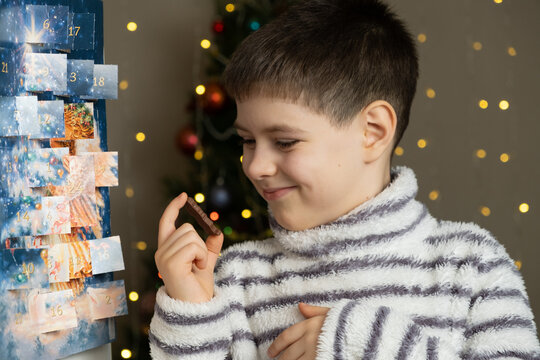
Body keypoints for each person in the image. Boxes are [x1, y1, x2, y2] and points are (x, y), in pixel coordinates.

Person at [149, 0, 540, 358]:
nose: (254, 167)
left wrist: (371, 341)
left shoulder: (473, 267)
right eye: (248, 141)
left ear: (372, 131)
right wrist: (190, 312)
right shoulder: (235, 279)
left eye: (284, 141)